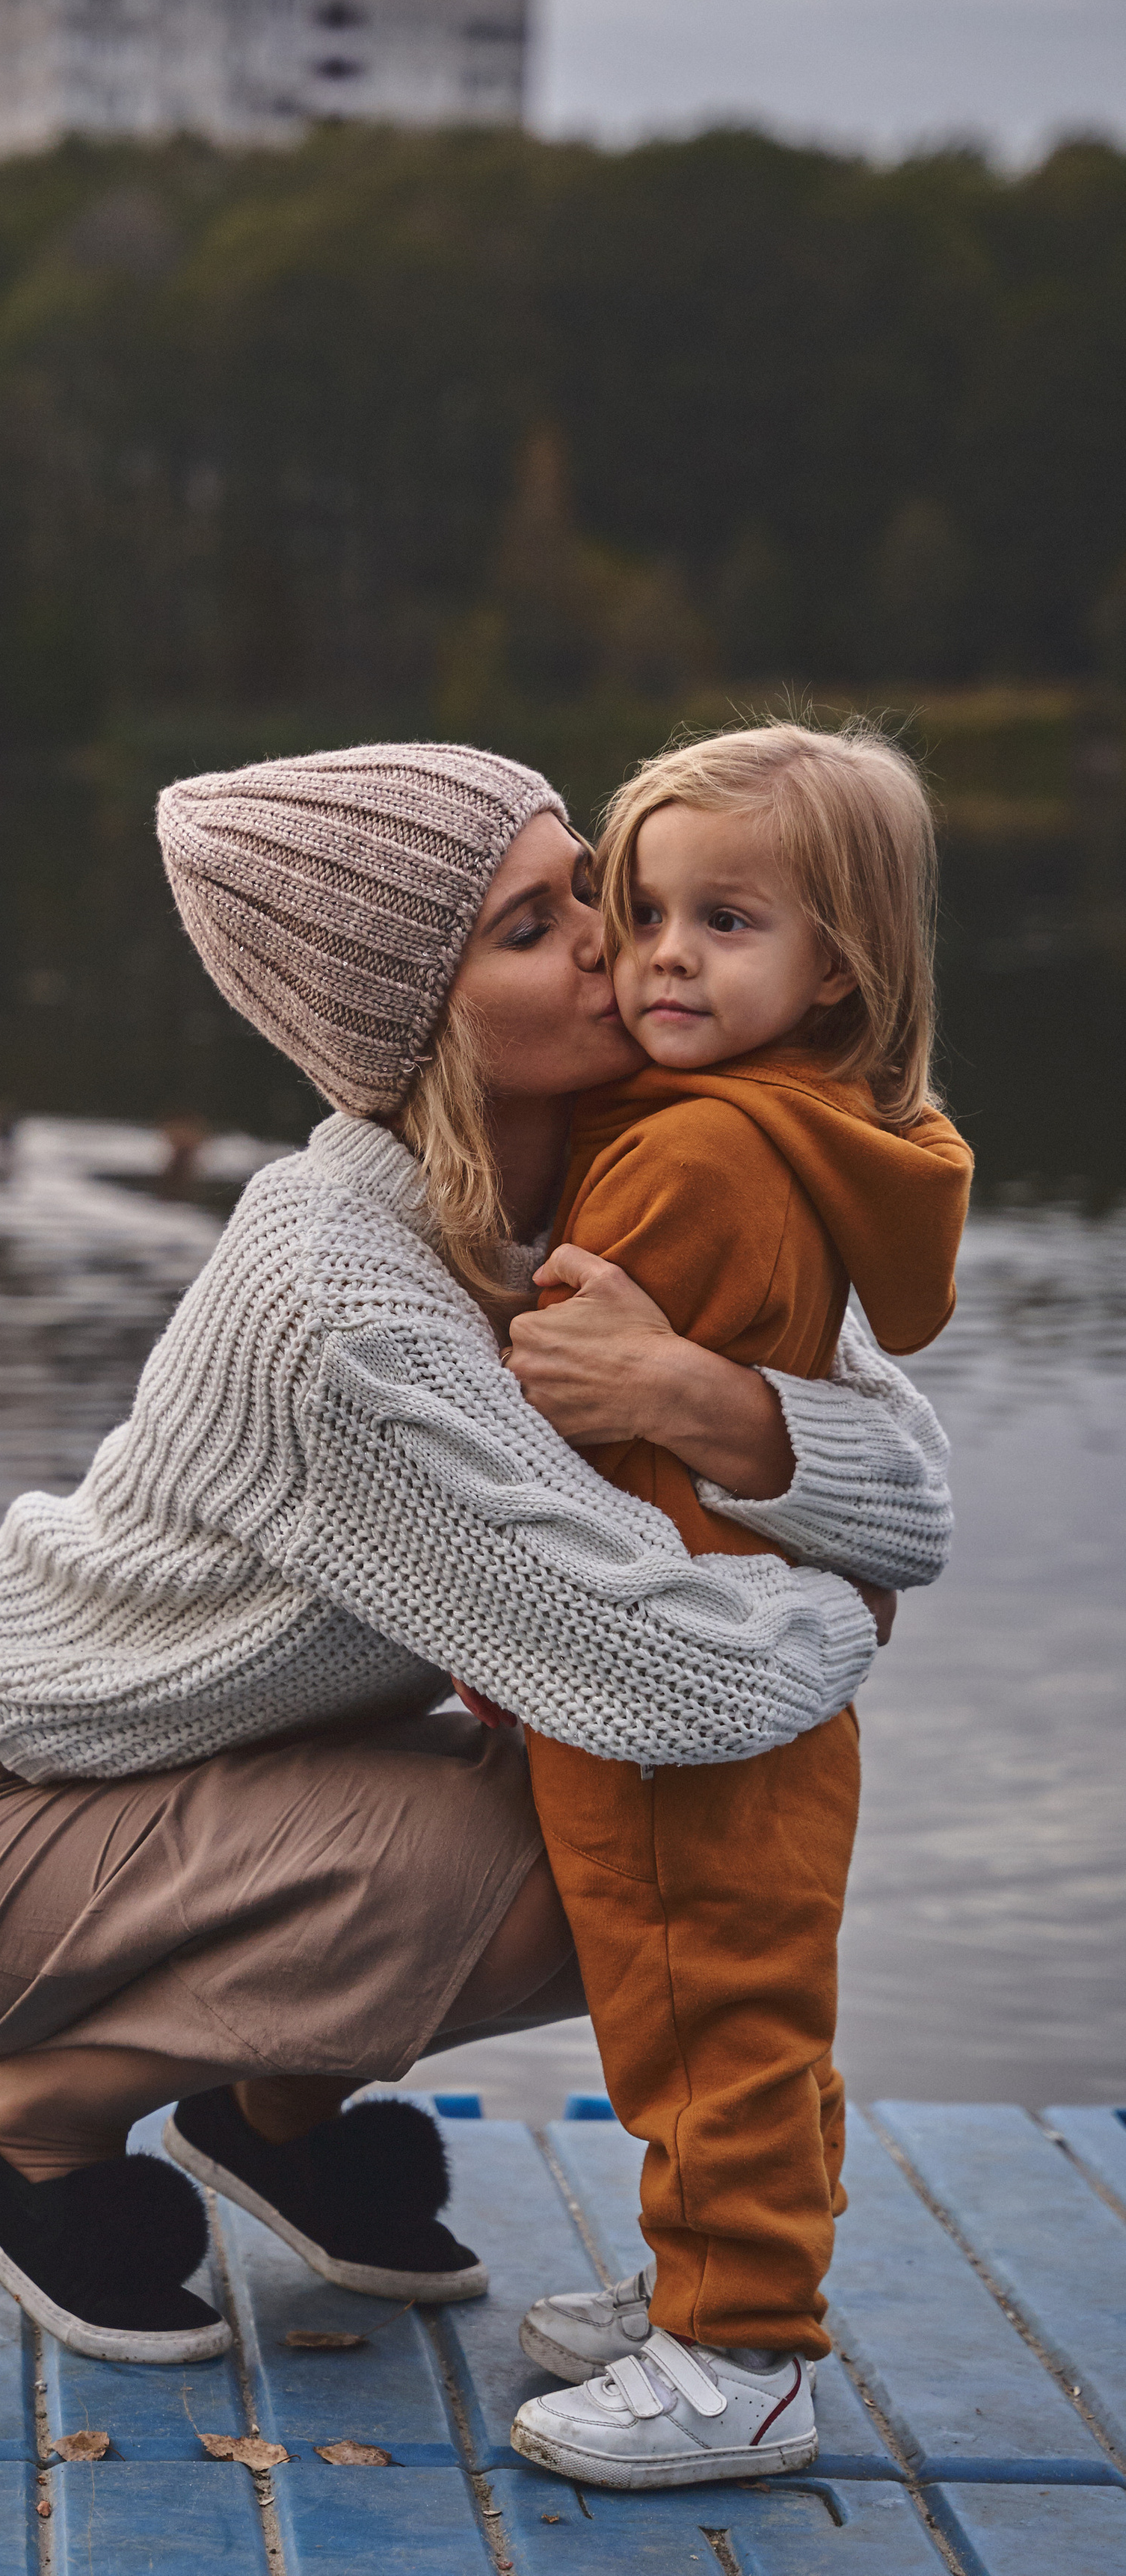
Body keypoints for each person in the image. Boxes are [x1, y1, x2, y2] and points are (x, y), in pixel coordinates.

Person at [0, 741, 953, 2383]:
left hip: (216, 1776)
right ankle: (22, 2128)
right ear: (413, 1020)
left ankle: (268, 2114)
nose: (611, 939)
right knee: (601, 1850)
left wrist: (703, 1401)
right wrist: (838, 1608)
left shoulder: (624, 1164)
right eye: (529, 926)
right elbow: (678, 1675)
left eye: (589, 884)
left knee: (614, 1815)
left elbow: (913, 1490)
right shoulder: (336, 1293)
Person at [454, 724, 970, 2489]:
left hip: (683, 1669)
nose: (659, 953)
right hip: (737, 1653)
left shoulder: (695, 1163)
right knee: (729, 1999)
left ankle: (739, 2357)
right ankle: (710, 2288)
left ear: (840, 959)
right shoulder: (785, 1132)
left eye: (725, 919)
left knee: (709, 2009)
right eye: (639, 905)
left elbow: (541, 1408)